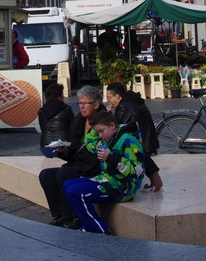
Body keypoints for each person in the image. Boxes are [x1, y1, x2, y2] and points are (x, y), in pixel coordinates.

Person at [62, 111, 145, 234]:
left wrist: (111, 158)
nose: (100, 135)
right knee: (67, 184)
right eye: (97, 132)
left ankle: (99, 229)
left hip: (122, 188)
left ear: (112, 125)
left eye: (101, 131)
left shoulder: (128, 140)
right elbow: (89, 142)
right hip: (108, 179)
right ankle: (86, 222)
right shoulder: (110, 137)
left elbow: (136, 171)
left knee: (75, 192)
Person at [38, 85, 104, 229]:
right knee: (46, 175)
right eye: (79, 103)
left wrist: (152, 172)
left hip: (94, 166)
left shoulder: (104, 120)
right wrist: (65, 151)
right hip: (78, 163)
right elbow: (74, 145)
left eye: (84, 103)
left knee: (64, 173)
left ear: (96, 104)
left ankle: (72, 217)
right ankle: (59, 215)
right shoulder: (79, 120)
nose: (81, 107)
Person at [105, 82, 162, 192]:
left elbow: (121, 133)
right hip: (147, 139)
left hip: (142, 142)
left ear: (117, 96)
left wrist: (108, 116)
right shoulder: (133, 101)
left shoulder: (123, 107)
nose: (107, 100)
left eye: (108, 97)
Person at [37, 83, 74, 157]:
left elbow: (42, 128)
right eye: (62, 95)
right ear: (59, 96)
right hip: (63, 149)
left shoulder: (41, 111)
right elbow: (74, 127)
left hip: (45, 148)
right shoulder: (66, 109)